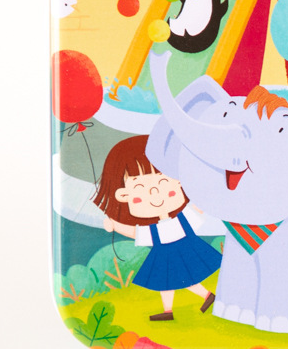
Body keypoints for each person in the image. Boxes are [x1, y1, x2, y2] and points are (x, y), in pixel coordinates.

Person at [93, 135, 221, 321]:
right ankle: (178, 307)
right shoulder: (155, 229)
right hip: (166, 255)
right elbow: (136, 232)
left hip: (182, 252)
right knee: (170, 282)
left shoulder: (181, 219)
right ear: (124, 195)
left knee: (180, 280)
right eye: (140, 187)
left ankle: (201, 298)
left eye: (163, 182)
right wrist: (115, 225)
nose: (155, 193)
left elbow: (199, 207)